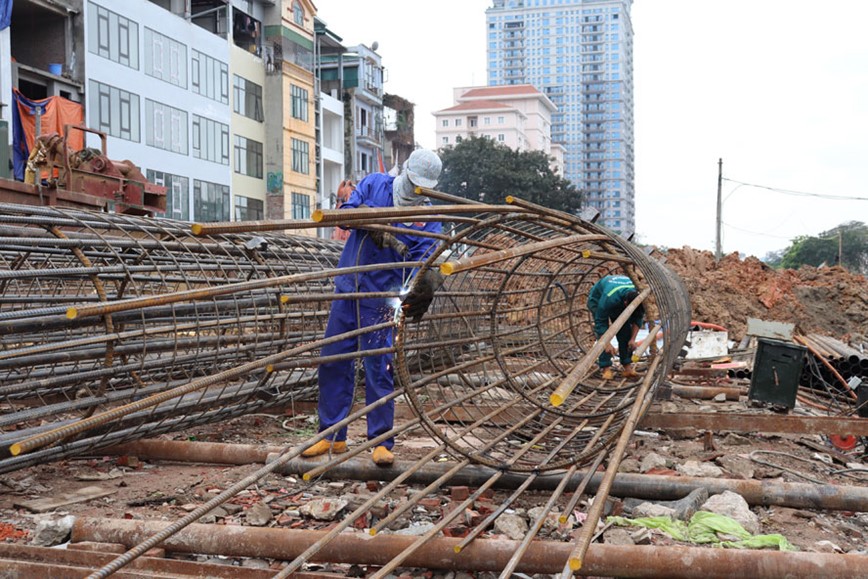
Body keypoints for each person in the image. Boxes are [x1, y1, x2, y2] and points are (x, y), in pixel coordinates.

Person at [302, 149, 444, 466]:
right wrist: (369, 218)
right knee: (333, 359)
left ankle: (380, 440)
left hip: (382, 299)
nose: (414, 192)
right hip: (349, 287)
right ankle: (331, 435)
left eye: (422, 188)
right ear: (404, 172)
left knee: (379, 367)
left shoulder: (428, 217)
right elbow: (348, 213)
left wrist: (427, 282)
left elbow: (427, 258)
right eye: (412, 183)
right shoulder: (375, 184)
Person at [586, 274, 645, 380]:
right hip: (598, 299)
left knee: (625, 331)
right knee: (604, 332)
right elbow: (600, 321)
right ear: (625, 303)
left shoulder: (639, 298)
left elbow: (638, 319)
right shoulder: (610, 298)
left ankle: (627, 366)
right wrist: (607, 343)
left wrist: (632, 339)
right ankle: (606, 368)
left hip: (618, 298)